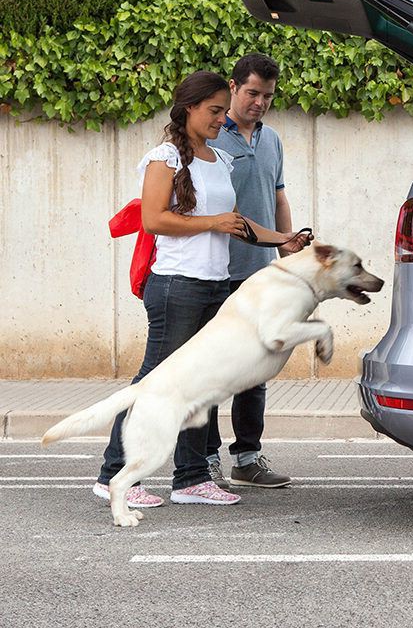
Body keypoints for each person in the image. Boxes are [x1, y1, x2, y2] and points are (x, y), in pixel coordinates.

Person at [94, 71, 309, 509]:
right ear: (189, 108)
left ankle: (191, 479)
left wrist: (283, 241)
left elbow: (237, 223)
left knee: (201, 384)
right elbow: (154, 219)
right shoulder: (165, 158)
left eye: (218, 111)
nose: (218, 119)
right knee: (153, 381)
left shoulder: (219, 159)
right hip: (176, 285)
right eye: (212, 111)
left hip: (215, 286)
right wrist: (211, 223)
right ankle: (112, 473)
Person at [206, 53, 295, 488]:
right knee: (211, 370)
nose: (260, 102)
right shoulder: (209, 136)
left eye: (268, 96)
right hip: (216, 273)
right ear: (234, 87)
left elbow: (278, 198)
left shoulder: (272, 139)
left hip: (259, 275)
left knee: (254, 371)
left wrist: (288, 257)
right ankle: (204, 459)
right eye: (253, 93)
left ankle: (247, 456)